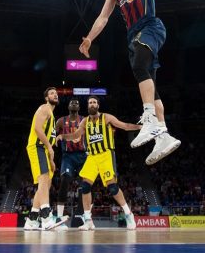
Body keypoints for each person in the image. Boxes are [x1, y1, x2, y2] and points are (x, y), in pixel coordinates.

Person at [78, 0, 180, 166]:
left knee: (139, 67)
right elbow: (102, 18)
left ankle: (148, 118)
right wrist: (88, 38)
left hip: (150, 26)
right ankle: (163, 136)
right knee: (152, 87)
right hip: (133, 34)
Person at [56, 96, 141, 231]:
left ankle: (128, 214)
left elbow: (124, 126)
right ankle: (88, 220)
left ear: (98, 105)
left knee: (112, 187)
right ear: (88, 106)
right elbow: (76, 135)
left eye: (94, 102)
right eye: (90, 102)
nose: (92, 104)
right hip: (92, 157)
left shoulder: (107, 118)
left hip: (106, 155)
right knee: (84, 187)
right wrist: (63, 136)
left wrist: (140, 127)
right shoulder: (84, 121)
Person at [23, 87, 68, 231]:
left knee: (46, 183)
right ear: (46, 98)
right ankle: (46, 217)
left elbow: (48, 138)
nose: (55, 95)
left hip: (43, 149)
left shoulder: (52, 115)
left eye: (56, 93)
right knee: (43, 179)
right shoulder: (44, 108)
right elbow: (37, 128)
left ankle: (32, 220)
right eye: (51, 93)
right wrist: (49, 147)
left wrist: (51, 160)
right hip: (37, 146)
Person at [54, 98, 87, 228]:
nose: (74, 104)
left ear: (79, 107)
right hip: (68, 156)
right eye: (72, 102)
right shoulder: (61, 121)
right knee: (64, 181)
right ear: (68, 106)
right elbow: (53, 136)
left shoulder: (84, 120)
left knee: (86, 185)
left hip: (83, 155)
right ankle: (59, 217)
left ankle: (82, 215)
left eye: (77, 103)